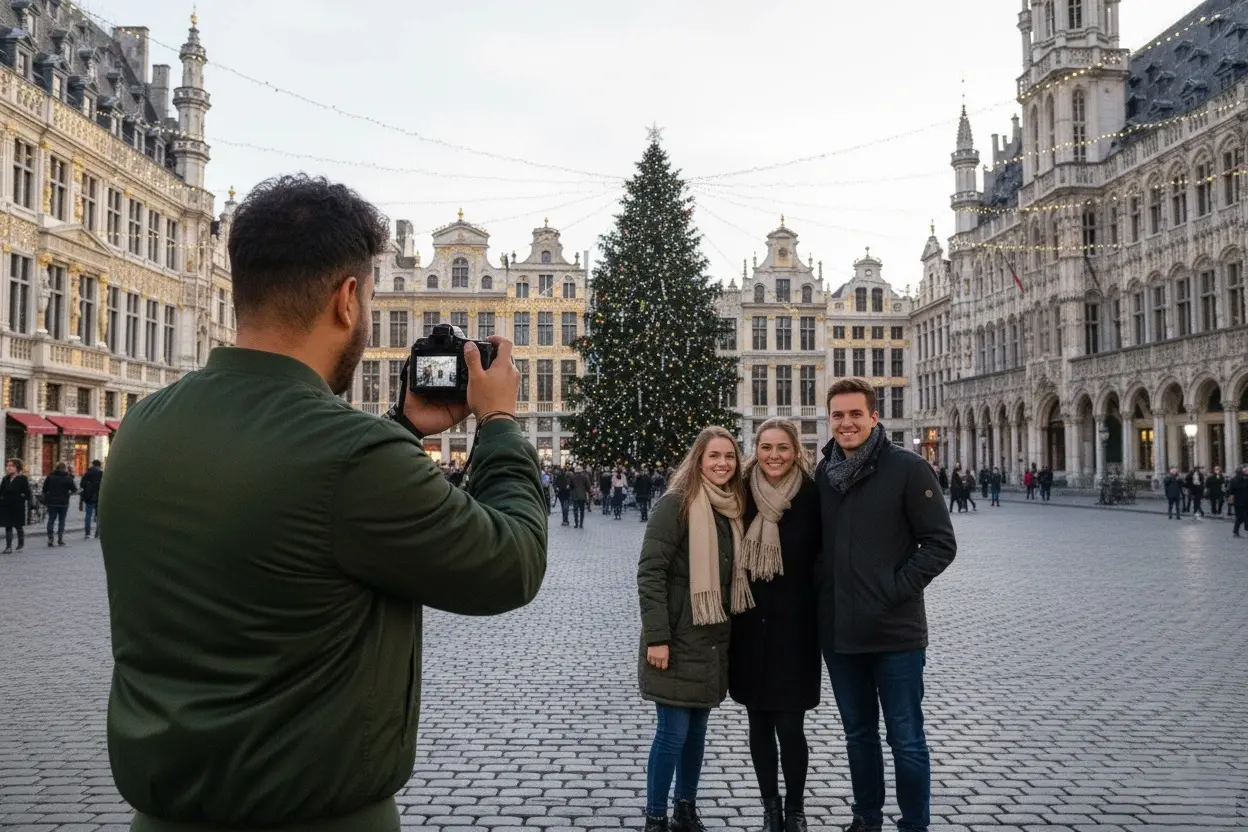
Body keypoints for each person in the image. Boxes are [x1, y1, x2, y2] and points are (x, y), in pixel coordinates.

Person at [97, 175, 548, 832]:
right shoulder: (352, 456)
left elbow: (297, 517)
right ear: (347, 299)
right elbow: (512, 563)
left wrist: (400, 427)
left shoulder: (142, 426)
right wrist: (501, 423)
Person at [815, 378, 957, 832]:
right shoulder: (823, 475)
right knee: (858, 735)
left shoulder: (908, 468)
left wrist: (894, 590)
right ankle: (866, 818)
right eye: (838, 415)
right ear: (829, 420)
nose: (846, 423)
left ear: (874, 417)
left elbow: (940, 544)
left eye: (855, 414)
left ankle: (914, 824)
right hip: (841, 632)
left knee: (906, 738)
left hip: (896, 632)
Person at [637, 426, 747, 832]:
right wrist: (658, 638)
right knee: (672, 733)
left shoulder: (733, 508)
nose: (722, 463)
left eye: (729, 456)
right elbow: (651, 572)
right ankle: (655, 815)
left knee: (697, 733)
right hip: (677, 637)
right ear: (698, 460)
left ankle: (685, 807)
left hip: (712, 639)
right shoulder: (676, 504)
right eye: (714, 455)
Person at [729, 419, 820, 832]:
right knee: (759, 725)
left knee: (791, 727)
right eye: (766, 447)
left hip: (796, 631)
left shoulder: (812, 495)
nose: (774, 456)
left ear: (795, 451)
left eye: (782, 448)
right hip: (750, 626)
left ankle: (795, 809)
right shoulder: (741, 493)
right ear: (756, 449)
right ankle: (770, 807)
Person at [41, 461, 77, 546]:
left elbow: (44, 489)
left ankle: (50, 538)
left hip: (52, 502)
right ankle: (60, 538)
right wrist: (68, 494)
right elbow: (74, 490)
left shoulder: (50, 476)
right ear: (65, 468)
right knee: (62, 520)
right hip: (63, 502)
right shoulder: (68, 477)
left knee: (51, 519)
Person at [0, 459, 32, 553]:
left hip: (18, 507)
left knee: (18, 526)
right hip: (6, 506)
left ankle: (20, 544)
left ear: (17, 468)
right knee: (8, 526)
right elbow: (1, 492)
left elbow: (27, 494)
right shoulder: (5, 479)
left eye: (11, 466)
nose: (8, 468)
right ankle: (8, 547)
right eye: (7, 466)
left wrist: (21, 498)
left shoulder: (22, 479)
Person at [80, 459, 104, 538]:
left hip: (89, 496)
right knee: (98, 515)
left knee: (88, 515)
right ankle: (97, 532)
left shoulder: (88, 473)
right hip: (98, 496)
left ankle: (87, 533)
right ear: (99, 465)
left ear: (93, 465)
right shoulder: (101, 473)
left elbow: (82, 484)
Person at [1228, 463, 1248, 537]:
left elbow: (1230, 491)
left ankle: (1245, 528)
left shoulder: (1243, 479)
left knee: (1243, 517)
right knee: (1240, 517)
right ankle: (1235, 532)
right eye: (1245, 470)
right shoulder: (1237, 480)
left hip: (1243, 501)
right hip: (1239, 501)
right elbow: (1231, 491)